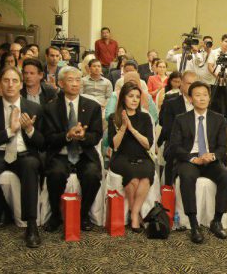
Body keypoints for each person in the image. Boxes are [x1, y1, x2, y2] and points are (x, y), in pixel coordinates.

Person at [0, 66, 45, 248]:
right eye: (6, 80)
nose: (10, 85)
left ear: (21, 84)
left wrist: (30, 130)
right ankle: (2, 211)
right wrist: (9, 131)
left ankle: (31, 225)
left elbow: (43, 143)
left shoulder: (34, 108)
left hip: (24, 153)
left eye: (14, 81)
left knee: (30, 166)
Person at [169, 81, 227, 244]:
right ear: (190, 99)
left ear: (209, 98)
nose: (202, 98)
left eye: (205, 95)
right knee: (187, 176)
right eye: (198, 95)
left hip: (210, 159)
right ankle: (194, 224)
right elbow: (175, 146)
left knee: (226, 176)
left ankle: (216, 221)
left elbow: (222, 147)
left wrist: (213, 156)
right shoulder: (181, 119)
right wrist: (194, 158)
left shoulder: (219, 119)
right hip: (190, 159)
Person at [42, 67, 103, 232]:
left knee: (92, 174)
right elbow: (48, 138)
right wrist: (67, 135)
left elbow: (96, 136)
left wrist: (83, 137)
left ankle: (83, 215)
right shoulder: (50, 108)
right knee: (55, 174)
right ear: (61, 83)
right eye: (70, 80)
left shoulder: (93, 106)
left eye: (78, 80)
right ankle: (56, 216)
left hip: (84, 153)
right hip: (60, 153)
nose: (75, 84)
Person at [107, 82, 155, 232]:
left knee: (145, 176)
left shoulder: (145, 117)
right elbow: (114, 145)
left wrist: (132, 129)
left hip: (142, 156)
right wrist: (123, 127)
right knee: (133, 178)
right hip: (121, 157)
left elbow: (148, 144)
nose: (134, 100)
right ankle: (135, 216)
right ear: (123, 98)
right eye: (131, 96)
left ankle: (134, 212)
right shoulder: (113, 118)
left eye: (137, 97)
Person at [160, 71, 196, 183]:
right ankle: (169, 187)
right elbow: (168, 131)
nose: (192, 87)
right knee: (174, 155)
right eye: (189, 83)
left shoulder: (203, 103)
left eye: (194, 84)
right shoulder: (171, 103)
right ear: (182, 84)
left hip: (198, 145)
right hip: (175, 144)